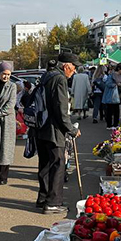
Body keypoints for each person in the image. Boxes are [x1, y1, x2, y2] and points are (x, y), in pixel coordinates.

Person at [35, 52, 82, 214]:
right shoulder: (60, 79)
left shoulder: (47, 75)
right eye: (74, 68)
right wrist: (72, 129)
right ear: (66, 66)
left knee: (45, 165)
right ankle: (53, 202)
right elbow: (61, 110)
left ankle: (43, 198)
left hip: (41, 127)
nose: (74, 72)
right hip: (54, 130)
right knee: (57, 165)